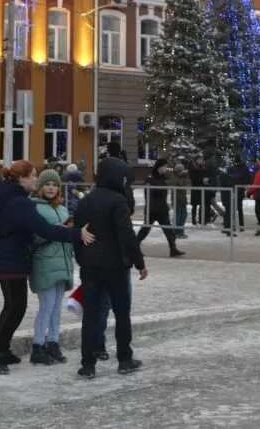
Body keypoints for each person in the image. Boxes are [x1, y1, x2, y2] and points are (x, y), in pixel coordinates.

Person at [0, 160, 93, 374]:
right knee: (14, 308)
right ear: (22, 178)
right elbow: (45, 230)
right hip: (10, 261)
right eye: (34, 175)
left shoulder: (11, 196)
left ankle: (3, 350)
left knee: (13, 307)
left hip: (9, 259)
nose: (36, 179)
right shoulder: (20, 203)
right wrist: (76, 233)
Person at [73, 157, 148, 379]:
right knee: (122, 313)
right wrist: (139, 262)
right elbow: (126, 234)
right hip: (115, 266)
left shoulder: (86, 200)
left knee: (91, 315)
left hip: (90, 266)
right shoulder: (118, 201)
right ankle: (124, 359)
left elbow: (78, 232)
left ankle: (88, 364)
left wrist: (82, 258)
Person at [29, 169, 75, 366]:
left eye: (54, 184)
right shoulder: (35, 208)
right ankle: (38, 346)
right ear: (40, 187)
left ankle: (53, 342)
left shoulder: (63, 209)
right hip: (45, 262)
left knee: (56, 307)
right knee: (46, 306)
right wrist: (56, 231)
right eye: (47, 184)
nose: (50, 187)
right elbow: (33, 236)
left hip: (62, 263)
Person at [136, 159, 184, 257]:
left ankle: (173, 249)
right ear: (160, 167)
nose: (166, 168)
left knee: (169, 231)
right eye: (165, 166)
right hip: (152, 209)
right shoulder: (150, 178)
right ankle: (134, 247)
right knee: (145, 230)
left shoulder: (164, 177)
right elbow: (151, 192)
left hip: (162, 208)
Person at [170, 162, 190, 238]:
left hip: (182, 199)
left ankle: (180, 230)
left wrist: (184, 176)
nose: (183, 172)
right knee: (178, 216)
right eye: (182, 170)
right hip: (177, 199)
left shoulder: (182, 177)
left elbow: (186, 183)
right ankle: (177, 231)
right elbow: (177, 184)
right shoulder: (174, 176)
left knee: (184, 215)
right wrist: (182, 177)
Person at [188, 155, 206, 225]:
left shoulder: (203, 168)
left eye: (202, 159)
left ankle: (201, 220)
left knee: (202, 205)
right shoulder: (193, 168)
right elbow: (193, 179)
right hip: (195, 188)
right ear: (196, 160)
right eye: (200, 159)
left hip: (202, 189)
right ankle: (193, 220)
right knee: (194, 206)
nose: (201, 161)